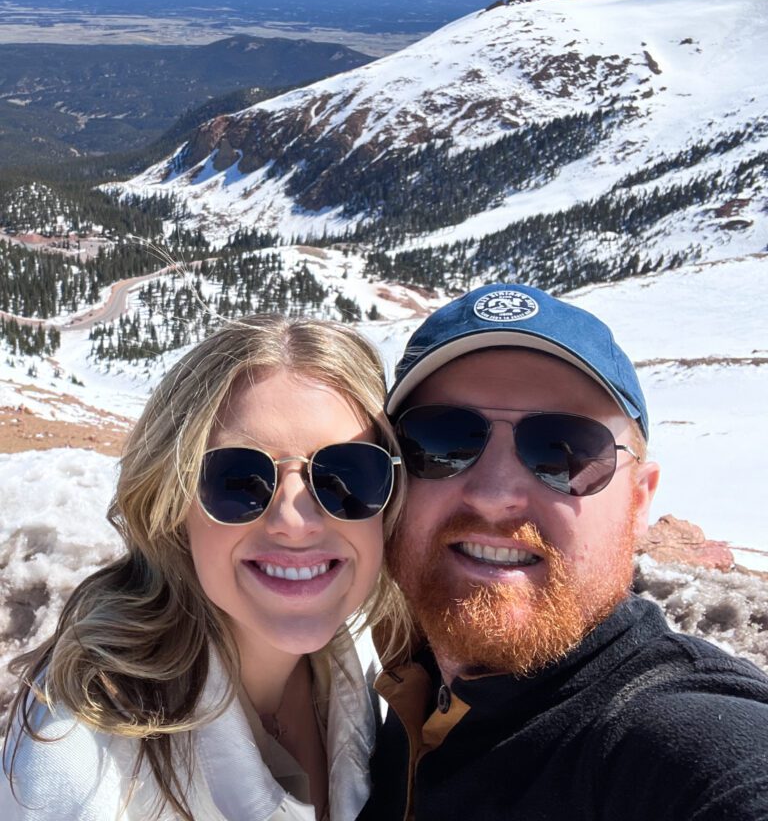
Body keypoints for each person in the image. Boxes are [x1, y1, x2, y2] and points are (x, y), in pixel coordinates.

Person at [359, 283, 768, 821]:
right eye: (441, 443)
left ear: (638, 499)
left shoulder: (659, 742)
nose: (495, 495)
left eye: (563, 453)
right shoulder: (397, 679)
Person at [2, 315, 406, 821]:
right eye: (239, 480)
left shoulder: (385, 668)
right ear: (171, 507)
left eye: (347, 475)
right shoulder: (81, 762)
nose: (295, 521)